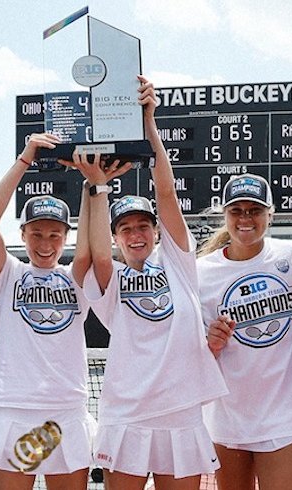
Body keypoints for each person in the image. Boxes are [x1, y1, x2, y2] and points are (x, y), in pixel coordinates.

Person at [67, 75, 227, 490]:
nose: (136, 234)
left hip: (180, 412)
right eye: (126, 228)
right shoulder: (111, 280)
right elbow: (98, 253)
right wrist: (98, 188)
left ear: (156, 232)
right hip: (127, 414)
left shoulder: (179, 263)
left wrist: (148, 123)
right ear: (117, 236)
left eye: (143, 226)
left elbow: (167, 193)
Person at [0, 133, 97, 490]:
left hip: (67, 411)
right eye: (37, 234)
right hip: (14, 409)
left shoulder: (77, 278)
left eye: (55, 235)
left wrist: (92, 184)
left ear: (66, 237)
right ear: (23, 234)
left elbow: (92, 243)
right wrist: (25, 158)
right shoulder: (8, 275)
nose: (46, 244)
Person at [197, 174, 292, 490]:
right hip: (227, 420)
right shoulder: (202, 272)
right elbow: (192, 352)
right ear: (225, 215)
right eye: (237, 211)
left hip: (283, 418)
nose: (246, 219)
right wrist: (211, 344)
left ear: (270, 214)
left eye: (254, 210)